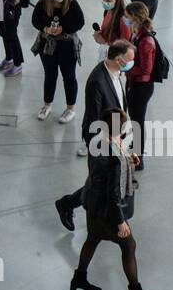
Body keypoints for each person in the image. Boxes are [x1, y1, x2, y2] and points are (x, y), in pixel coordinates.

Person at [69, 108, 161, 290]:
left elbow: (109, 167)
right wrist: (120, 221)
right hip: (107, 211)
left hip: (93, 204)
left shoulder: (99, 141)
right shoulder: (113, 157)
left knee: (93, 239)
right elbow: (113, 193)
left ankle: (79, 278)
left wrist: (130, 159)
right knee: (129, 246)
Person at [56, 40, 133, 202]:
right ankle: (68, 204)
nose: (132, 63)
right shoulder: (97, 81)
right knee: (98, 183)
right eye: (130, 60)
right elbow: (94, 118)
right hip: (103, 140)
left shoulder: (116, 73)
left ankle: (68, 204)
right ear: (119, 60)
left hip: (116, 136)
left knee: (101, 182)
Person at [32, 0, 84, 124]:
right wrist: (46, 28)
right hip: (47, 46)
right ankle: (47, 105)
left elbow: (80, 22)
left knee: (69, 76)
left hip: (67, 45)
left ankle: (70, 109)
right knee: (50, 75)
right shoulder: (43, 3)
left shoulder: (72, 3)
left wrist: (64, 29)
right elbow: (35, 20)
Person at [121, 2, 158, 170]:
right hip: (134, 83)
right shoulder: (137, 34)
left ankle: (139, 158)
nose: (125, 19)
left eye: (127, 16)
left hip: (141, 87)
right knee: (135, 119)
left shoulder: (146, 41)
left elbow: (146, 69)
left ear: (135, 17)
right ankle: (135, 149)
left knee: (138, 122)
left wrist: (126, 67)